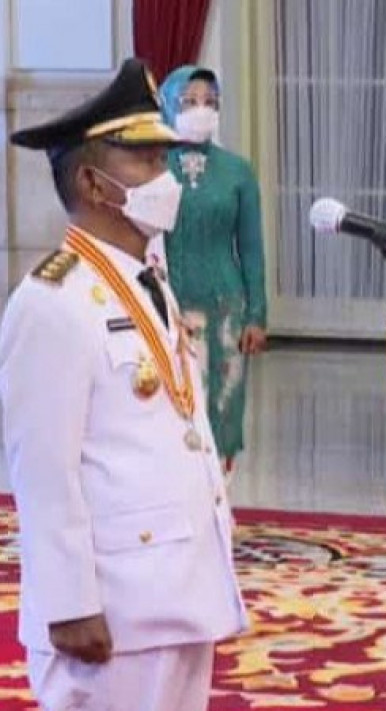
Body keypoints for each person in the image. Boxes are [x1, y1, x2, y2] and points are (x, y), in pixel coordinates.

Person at [0, 57, 247, 711]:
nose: (166, 178)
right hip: (111, 607)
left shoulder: (146, 277)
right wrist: (68, 602)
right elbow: (43, 467)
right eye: (145, 161)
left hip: (175, 593)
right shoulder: (51, 301)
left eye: (165, 159)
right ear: (93, 182)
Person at [157, 65, 268, 476]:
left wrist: (257, 314)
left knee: (223, 403)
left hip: (226, 309)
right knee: (176, 406)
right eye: (189, 102)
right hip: (170, 307)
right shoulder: (152, 166)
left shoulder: (238, 172)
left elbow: (251, 248)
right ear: (167, 106)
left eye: (210, 102)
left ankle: (220, 495)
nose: (200, 110)